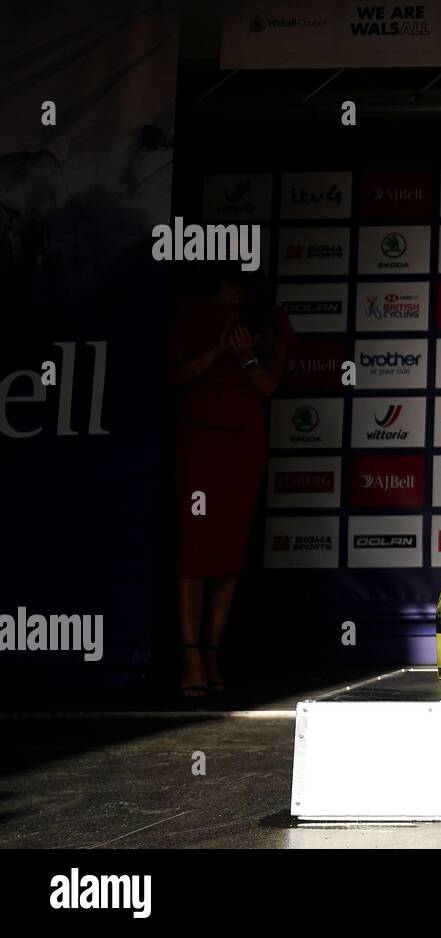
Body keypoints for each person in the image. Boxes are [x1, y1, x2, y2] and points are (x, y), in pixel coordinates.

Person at [168, 265, 294, 697]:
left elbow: (268, 387)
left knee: (230, 544)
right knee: (193, 542)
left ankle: (213, 650)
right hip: (198, 443)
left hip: (242, 446)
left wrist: (245, 357)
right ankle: (189, 654)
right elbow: (174, 377)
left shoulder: (270, 316)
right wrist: (219, 349)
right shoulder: (189, 312)